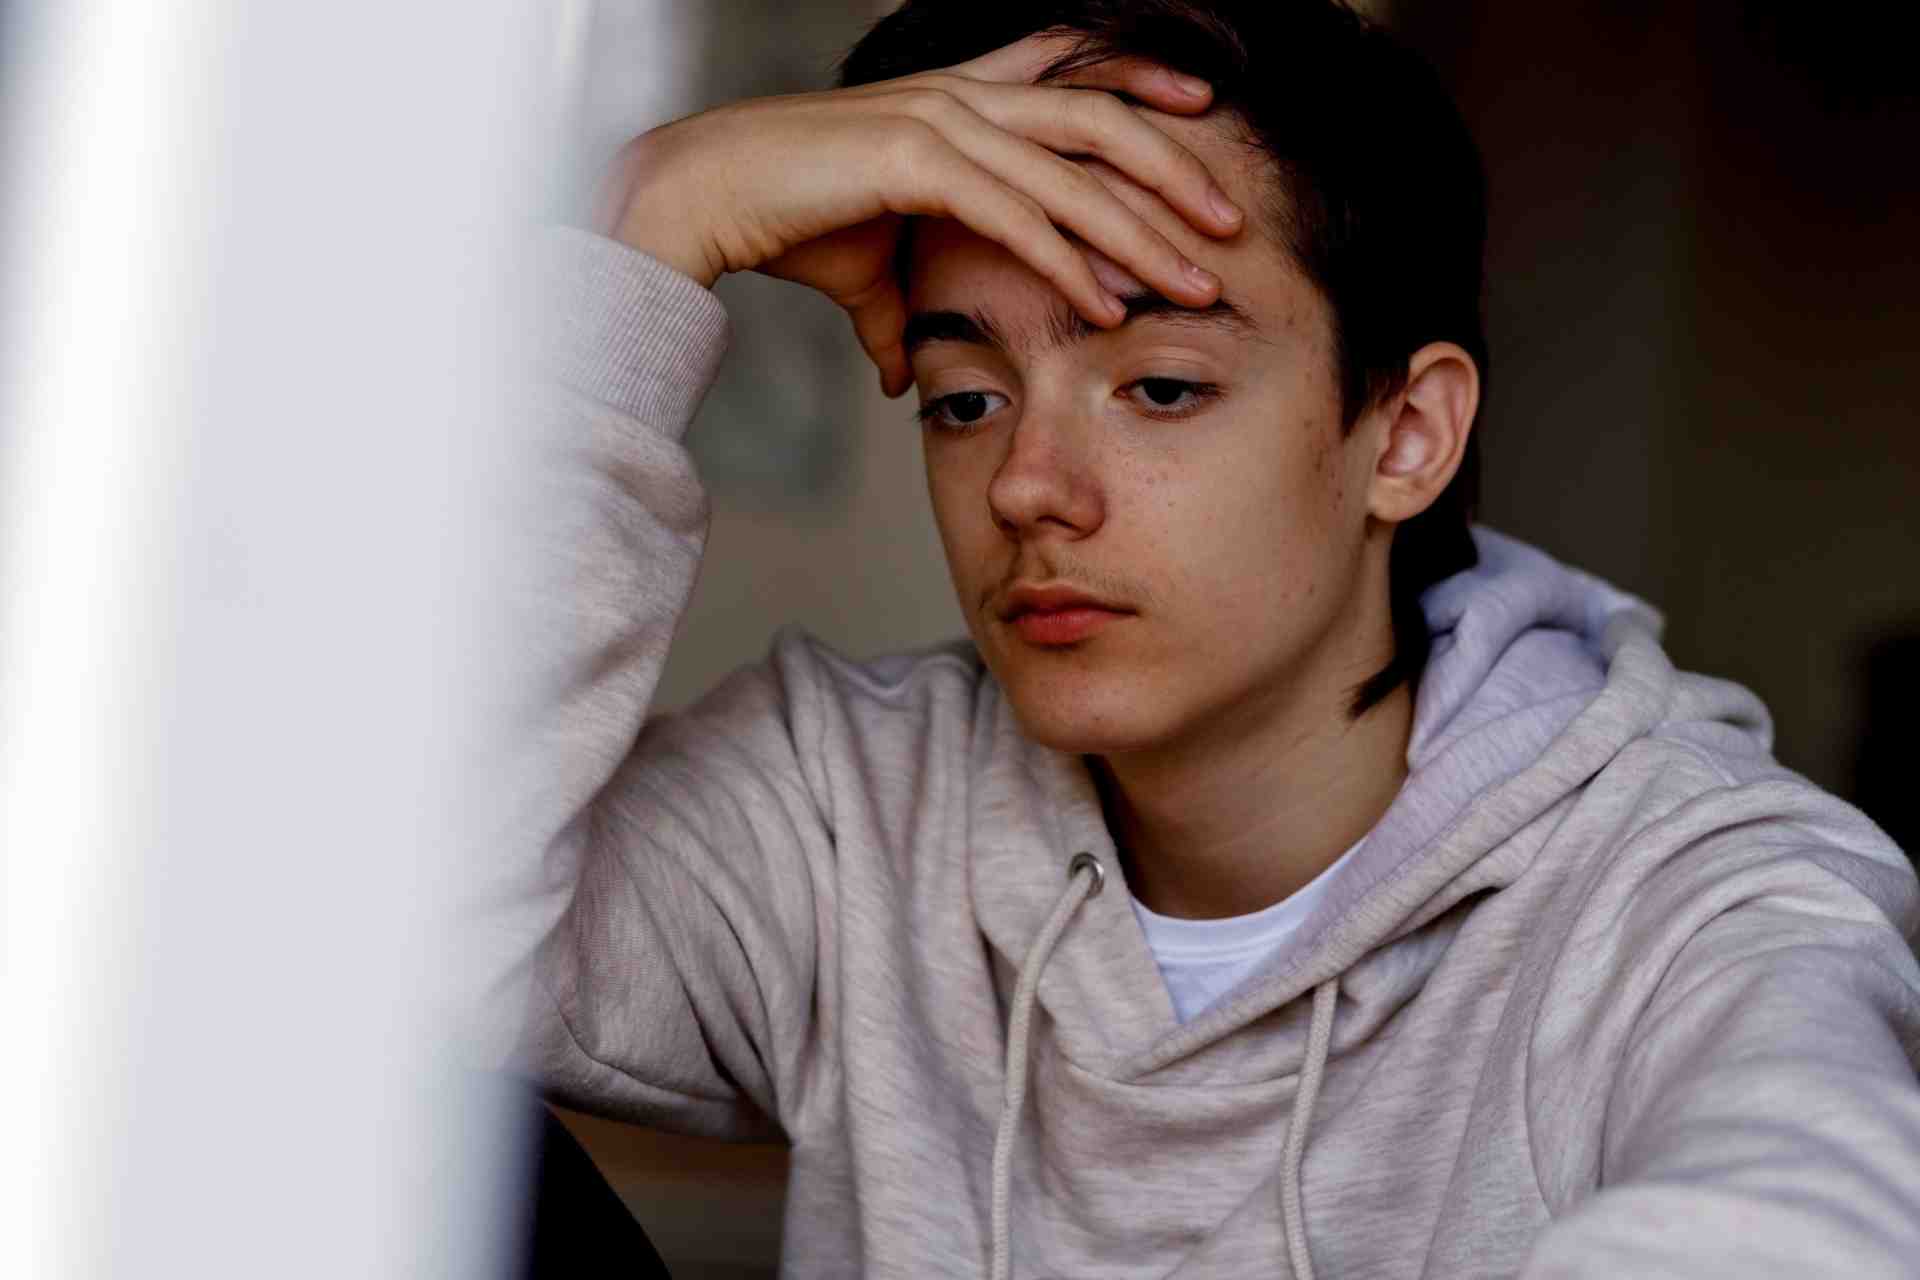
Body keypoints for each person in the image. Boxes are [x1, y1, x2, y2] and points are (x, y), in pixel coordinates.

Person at [487, 2, 1920, 1275]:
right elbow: (332, 924)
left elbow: (1816, 1214)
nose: (1028, 488)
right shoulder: (852, 813)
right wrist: (651, 224)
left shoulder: (1694, 899)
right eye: (964, 401)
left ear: (1405, 434)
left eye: (1161, 387)